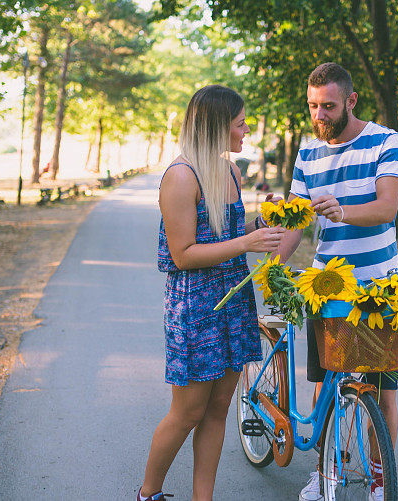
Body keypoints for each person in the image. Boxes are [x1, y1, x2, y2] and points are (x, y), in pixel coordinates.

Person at [138, 85, 287, 501]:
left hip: (234, 301)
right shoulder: (181, 176)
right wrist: (245, 244)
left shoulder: (230, 172)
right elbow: (183, 254)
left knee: (219, 408)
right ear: (218, 126)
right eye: (240, 123)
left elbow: (230, 233)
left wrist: (261, 222)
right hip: (196, 307)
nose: (246, 130)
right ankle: (148, 494)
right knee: (187, 413)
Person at [275, 63, 398, 501]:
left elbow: (388, 207)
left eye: (327, 106)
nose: (319, 115)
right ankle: (325, 472)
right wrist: (275, 265)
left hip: (377, 288)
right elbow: (295, 218)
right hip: (325, 286)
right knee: (325, 381)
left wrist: (343, 211)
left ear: (350, 101)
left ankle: (379, 475)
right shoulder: (308, 153)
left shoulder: (385, 141)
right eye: (312, 106)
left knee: (382, 391)